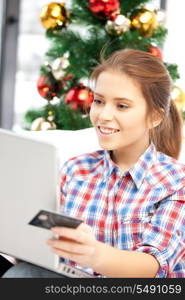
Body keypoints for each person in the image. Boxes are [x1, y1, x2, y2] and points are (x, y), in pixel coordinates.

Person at [3, 49, 185, 278]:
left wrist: (95, 255)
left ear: (155, 117)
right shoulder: (75, 170)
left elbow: (150, 268)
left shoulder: (176, 181)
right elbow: (43, 245)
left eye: (122, 106)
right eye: (99, 101)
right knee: (22, 272)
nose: (103, 115)